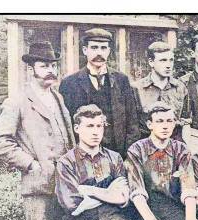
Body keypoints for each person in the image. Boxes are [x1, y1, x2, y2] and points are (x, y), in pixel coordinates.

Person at [0, 41, 76, 220]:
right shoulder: (17, 100)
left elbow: (68, 136)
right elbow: (2, 143)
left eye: (53, 65)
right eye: (44, 65)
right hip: (38, 182)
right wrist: (31, 165)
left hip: (64, 179)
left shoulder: (57, 97)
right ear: (31, 68)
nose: (50, 70)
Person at [59, 28, 141, 158]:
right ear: (85, 50)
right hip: (83, 156)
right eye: (94, 48)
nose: (99, 53)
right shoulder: (69, 83)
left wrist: (127, 157)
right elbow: (67, 126)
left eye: (103, 48)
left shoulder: (122, 81)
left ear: (108, 51)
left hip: (117, 154)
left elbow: (132, 123)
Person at [133, 41, 187, 137]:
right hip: (146, 144)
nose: (168, 65)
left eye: (171, 60)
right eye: (163, 60)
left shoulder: (180, 88)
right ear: (151, 62)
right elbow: (132, 125)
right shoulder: (137, 88)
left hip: (174, 145)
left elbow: (185, 120)